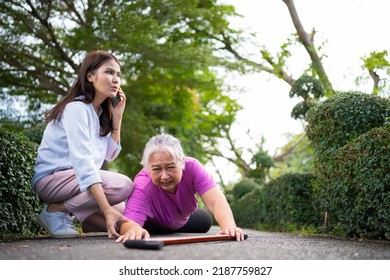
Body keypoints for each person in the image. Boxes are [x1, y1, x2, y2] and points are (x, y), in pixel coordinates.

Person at [32, 50, 133, 239]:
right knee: (122, 186)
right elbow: (84, 163)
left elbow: (110, 155)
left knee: (121, 210)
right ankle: (55, 211)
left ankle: (80, 219)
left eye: (118, 75)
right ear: (90, 76)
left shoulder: (98, 114)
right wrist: (104, 207)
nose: (115, 79)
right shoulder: (76, 109)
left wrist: (117, 117)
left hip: (76, 182)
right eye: (109, 72)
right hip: (52, 179)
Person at [116, 133, 245, 243]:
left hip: (180, 220)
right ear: (147, 168)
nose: (164, 176)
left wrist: (229, 227)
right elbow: (128, 223)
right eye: (156, 169)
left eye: (170, 167)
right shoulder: (143, 185)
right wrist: (134, 230)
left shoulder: (193, 167)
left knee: (205, 220)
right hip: (151, 225)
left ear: (182, 162)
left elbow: (215, 201)